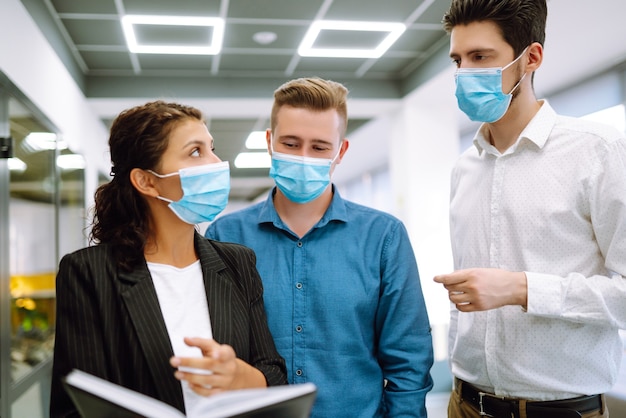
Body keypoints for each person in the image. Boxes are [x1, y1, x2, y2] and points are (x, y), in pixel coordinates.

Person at [434, 1, 626, 417]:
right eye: (458, 60)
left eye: (481, 57)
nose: (464, 74)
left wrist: (522, 288)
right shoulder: (463, 169)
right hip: (464, 404)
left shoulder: (597, 151)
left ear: (531, 58)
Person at [205, 77, 434, 417]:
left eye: (319, 147)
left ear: (340, 152)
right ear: (270, 142)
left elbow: (408, 361)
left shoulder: (384, 236)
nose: (303, 157)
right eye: (291, 143)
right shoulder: (224, 235)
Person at [50, 100, 287, 418]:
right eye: (195, 152)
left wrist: (240, 377)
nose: (216, 162)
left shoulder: (238, 264)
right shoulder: (88, 273)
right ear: (146, 181)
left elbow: (273, 372)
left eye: (212, 148)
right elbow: (74, 406)